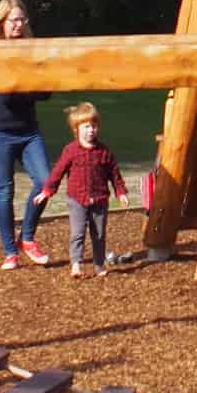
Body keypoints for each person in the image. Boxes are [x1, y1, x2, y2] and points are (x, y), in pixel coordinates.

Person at [0, 0, 52, 271]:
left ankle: (28, 238)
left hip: (28, 132)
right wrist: (25, 89)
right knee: (4, 191)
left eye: (22, 20)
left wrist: (29, 88)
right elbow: (4, 92)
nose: (18, 25)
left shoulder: (31, 50)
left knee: (46, 182)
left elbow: (45, 89)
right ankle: (10, 251)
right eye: (13, 20)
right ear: (1, 22)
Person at [34, 102, 129, 278]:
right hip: (77, 199)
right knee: (77, 233)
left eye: (94, 126)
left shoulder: (104, 151)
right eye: (86, 126)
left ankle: (99, 264)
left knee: (99, 234)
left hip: (100, 200)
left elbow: (115, 174)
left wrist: (121, 192)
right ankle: (76, 264)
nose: (91, 130)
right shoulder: (71, 150)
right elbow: (58, 172)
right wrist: (46, 191)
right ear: (76, 129)